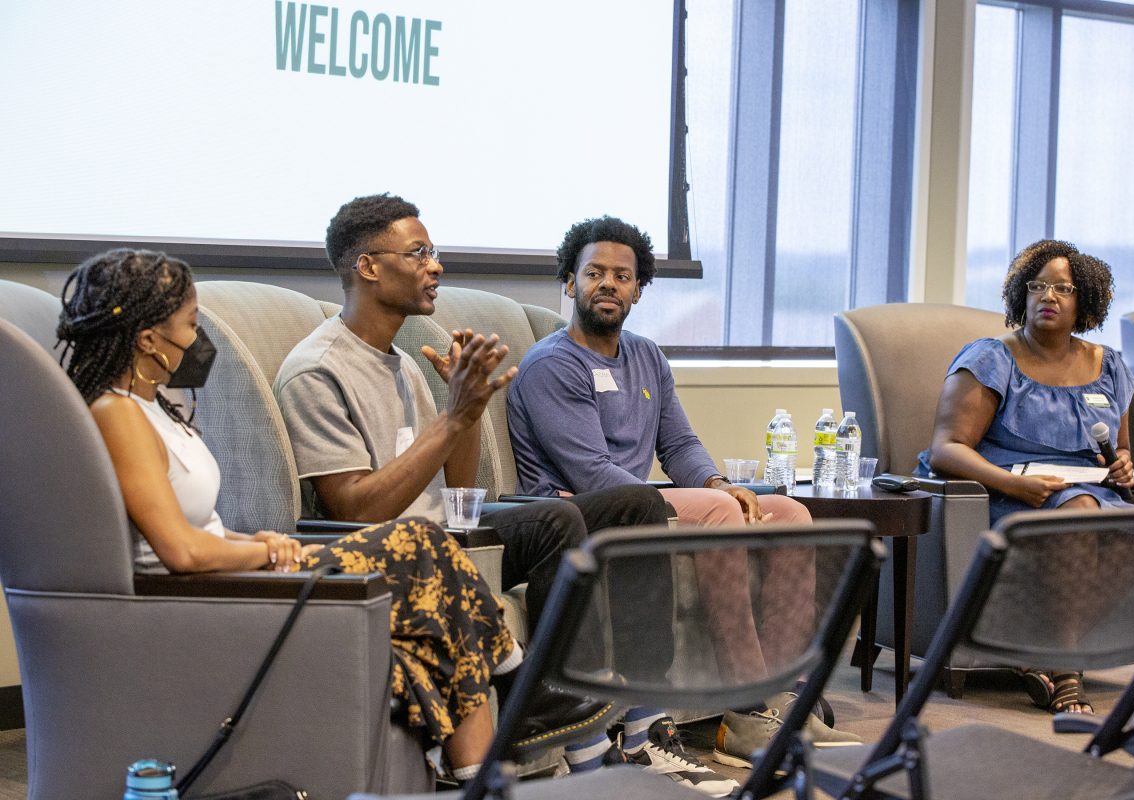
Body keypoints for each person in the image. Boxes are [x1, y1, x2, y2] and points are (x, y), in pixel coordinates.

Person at [56, 248, 543, 783]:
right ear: (148, 339)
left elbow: (197, 527)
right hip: (213, 593)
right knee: (418, 543)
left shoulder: (153, 408)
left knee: (425, 596)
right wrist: (266, 550)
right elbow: (180, 550)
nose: (199, 341)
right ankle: (517, 679)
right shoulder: (118, 413)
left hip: (237, 570)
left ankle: (477, 772)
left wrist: (253, 537)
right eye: (191, 325)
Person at [270, 194, 671, 750]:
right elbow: (355, 509)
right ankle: (552, 710)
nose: (436, 266)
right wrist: (453, 414)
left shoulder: (402, 362)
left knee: (632, 506)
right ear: (368, 267)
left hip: (449, 534)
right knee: (556, 520)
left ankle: (628, 707)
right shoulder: (316, 371)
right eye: (419, 253)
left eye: (433, 252)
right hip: (395, 553)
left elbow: (456, 491)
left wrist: (469, 410)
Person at [506, 216, 861, 782]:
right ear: (569, 283)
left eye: (623, 276)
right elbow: (591, 472)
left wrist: (719, 483)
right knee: (719, 514)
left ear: (639, 289)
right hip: (579, 508)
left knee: (790, 514)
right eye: (594, 272)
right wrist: (707, 503)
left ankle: (784, 699)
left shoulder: (647, 357)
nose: (609, 284)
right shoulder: (554, 363)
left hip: (641, 498)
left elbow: (679, 444)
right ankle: (745, 713)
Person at [920, 238, 1134, 715]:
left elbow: (1119, 449)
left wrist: (1123, 462)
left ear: (1086, 301)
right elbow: (947, 449)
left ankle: (1032, 651)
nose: (1049, 296)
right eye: (1038, 286)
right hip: (1001, 492)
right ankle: (1066, 672)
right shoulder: (991, 359)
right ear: (1022, 294)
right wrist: (1011, 483)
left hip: (1085, 491)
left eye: (1064, 288)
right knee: (1077, 515)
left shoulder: (1110, 366)